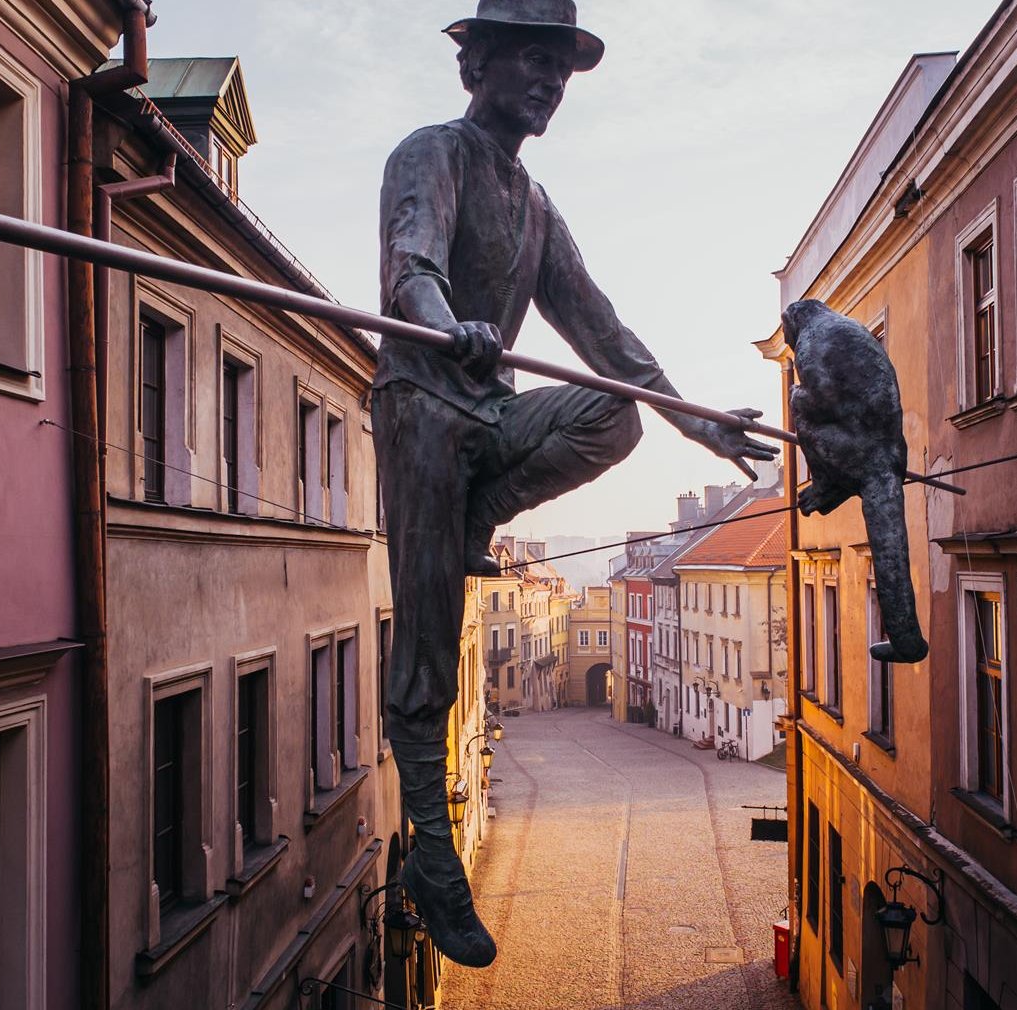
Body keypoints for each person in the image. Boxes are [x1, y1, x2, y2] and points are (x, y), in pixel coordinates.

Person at [374, 0, 777, 968]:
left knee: (615, 412)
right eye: (529, 59)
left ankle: (484, 507)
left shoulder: (537, 206)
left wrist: (696, 420)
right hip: (424, 408)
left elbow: (605, 342)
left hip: (490, 422)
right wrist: (447, 322)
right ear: (477, 66)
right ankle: (432, 855)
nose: (549, 81)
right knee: (426, 647)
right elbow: (407, 267)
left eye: (559, 66)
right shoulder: (428, 153)